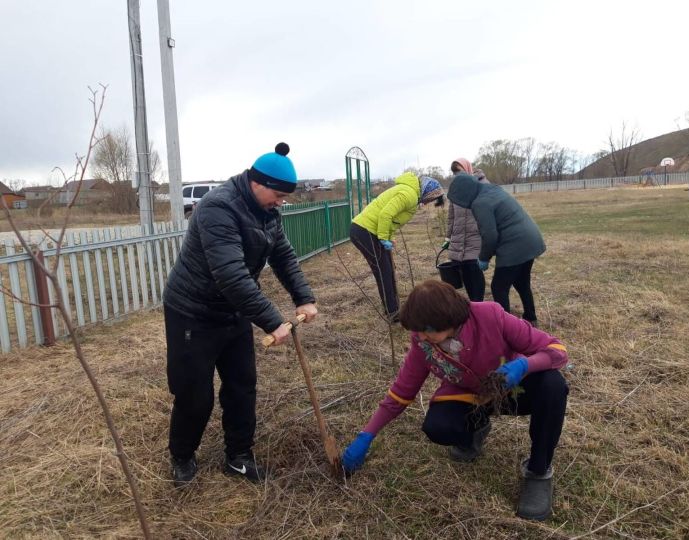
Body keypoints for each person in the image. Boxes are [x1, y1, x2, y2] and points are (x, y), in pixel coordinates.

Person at [341, 280, 568, 521]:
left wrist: (524, 365)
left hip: (511, 386)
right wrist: (367, 435)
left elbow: (556, 349)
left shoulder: (490, 316)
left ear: (449, 319)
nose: (421, 336)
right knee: (438, 427)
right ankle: (476, 428)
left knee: (553, 386)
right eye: (417, 330)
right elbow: (402, 392)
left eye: (427, 329)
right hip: (469, 395)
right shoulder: (423, 342)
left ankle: (538, 470)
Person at [162, 143, 318, 487]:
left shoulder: (268, 212)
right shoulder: (218, 208)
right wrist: (272, 320)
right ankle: (182, 457)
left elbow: (284, 256)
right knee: (194, 394)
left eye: (283, 197)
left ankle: (238, 457)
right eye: (277, 194)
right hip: (193, 312)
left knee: (241, 386)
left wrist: (303, 297)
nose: (280, 202)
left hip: (232, 310)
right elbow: (231, 274)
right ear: (256, 183)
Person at [448, 173, 545, 326]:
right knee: (522, 282)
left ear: (464, 193)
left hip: (515, 245)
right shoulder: (492, 190)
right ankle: (530, 318)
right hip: (531, 240)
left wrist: (484, 258)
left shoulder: (480, 203)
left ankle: (506, 327)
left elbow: (490, 235)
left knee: (498, 287)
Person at [350, 172, 444, 320]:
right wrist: (382, 238)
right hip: (364, 231)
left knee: (388, 268)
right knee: (384, 271)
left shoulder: (411, 195)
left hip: (369, 231)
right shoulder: (409, 195)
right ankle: (393, 312)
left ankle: (393, 306)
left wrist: (389, 237)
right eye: (431, 198)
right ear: (426, 191)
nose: (429, 202)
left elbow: (392, 220)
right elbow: (385, 215)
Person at [440, 158, 490, 301]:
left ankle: (479, 303)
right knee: (464, 273)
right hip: (458, 239)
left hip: (475, 239)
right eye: (455, 173)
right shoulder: (456, 188)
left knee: (475, 272)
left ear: (467, 169)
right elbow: (451, 216)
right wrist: (448, 238)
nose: (457, 175)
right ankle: (473, 304)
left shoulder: (482, 184)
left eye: (459, 171)